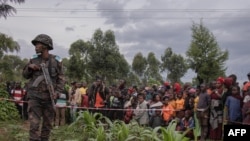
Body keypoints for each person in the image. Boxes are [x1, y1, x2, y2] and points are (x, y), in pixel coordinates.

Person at [22, 34, 65, 141]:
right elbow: (25, 75)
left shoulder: (56, 60)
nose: (35, 46)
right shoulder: (33, 60)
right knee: (34, 126)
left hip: (49, 98)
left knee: (47, 127)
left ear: (45, 46)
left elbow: (62, 79)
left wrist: (58, 92)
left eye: (38, 44)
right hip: (35, 98)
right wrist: (29, 68)